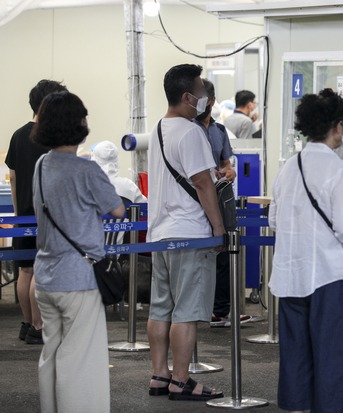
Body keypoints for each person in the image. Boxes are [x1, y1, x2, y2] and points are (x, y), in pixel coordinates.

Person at [269, 88, 343, 413]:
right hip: (330, 278)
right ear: (337, 126)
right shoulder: (337, 170)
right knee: (333, 361)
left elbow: (273, 221)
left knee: (295, 360)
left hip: (290, 277)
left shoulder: (288, 167)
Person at [31, 91, 125, 413]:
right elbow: (118, 210)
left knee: (52, 354)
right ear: (80, 124)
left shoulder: (41, 165)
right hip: (80, 278)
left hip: (45, 277)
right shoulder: (86, 170)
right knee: (80, 361)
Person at [146, 64, 226, 401]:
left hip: (160, 233)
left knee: (160, 308)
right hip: (190, 232)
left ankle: (160, 375)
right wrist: (218, 228)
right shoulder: (191, 132)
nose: (204, 98)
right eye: (200, 91)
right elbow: (202, 182)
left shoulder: (158, 129)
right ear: (186, 96)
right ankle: (181, 380)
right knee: (187, 311)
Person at [6, 79, 68, 345]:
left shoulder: (18, 135)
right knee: (39, 272)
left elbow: (12, 177)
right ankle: (39, 326)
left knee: (25, 271)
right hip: (47, 216)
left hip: (24, 215)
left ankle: (27, 323)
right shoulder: (53, 137)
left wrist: (20, 214)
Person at [192, 79, 250, 327]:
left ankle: (220, 310)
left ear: (212, 101)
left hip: (220, 198)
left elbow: (227, 164)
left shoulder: (219, 131)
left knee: (223, 255)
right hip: (194, 202)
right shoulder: (187, 130)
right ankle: (196, 310)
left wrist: (228, 171)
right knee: (196, 257)